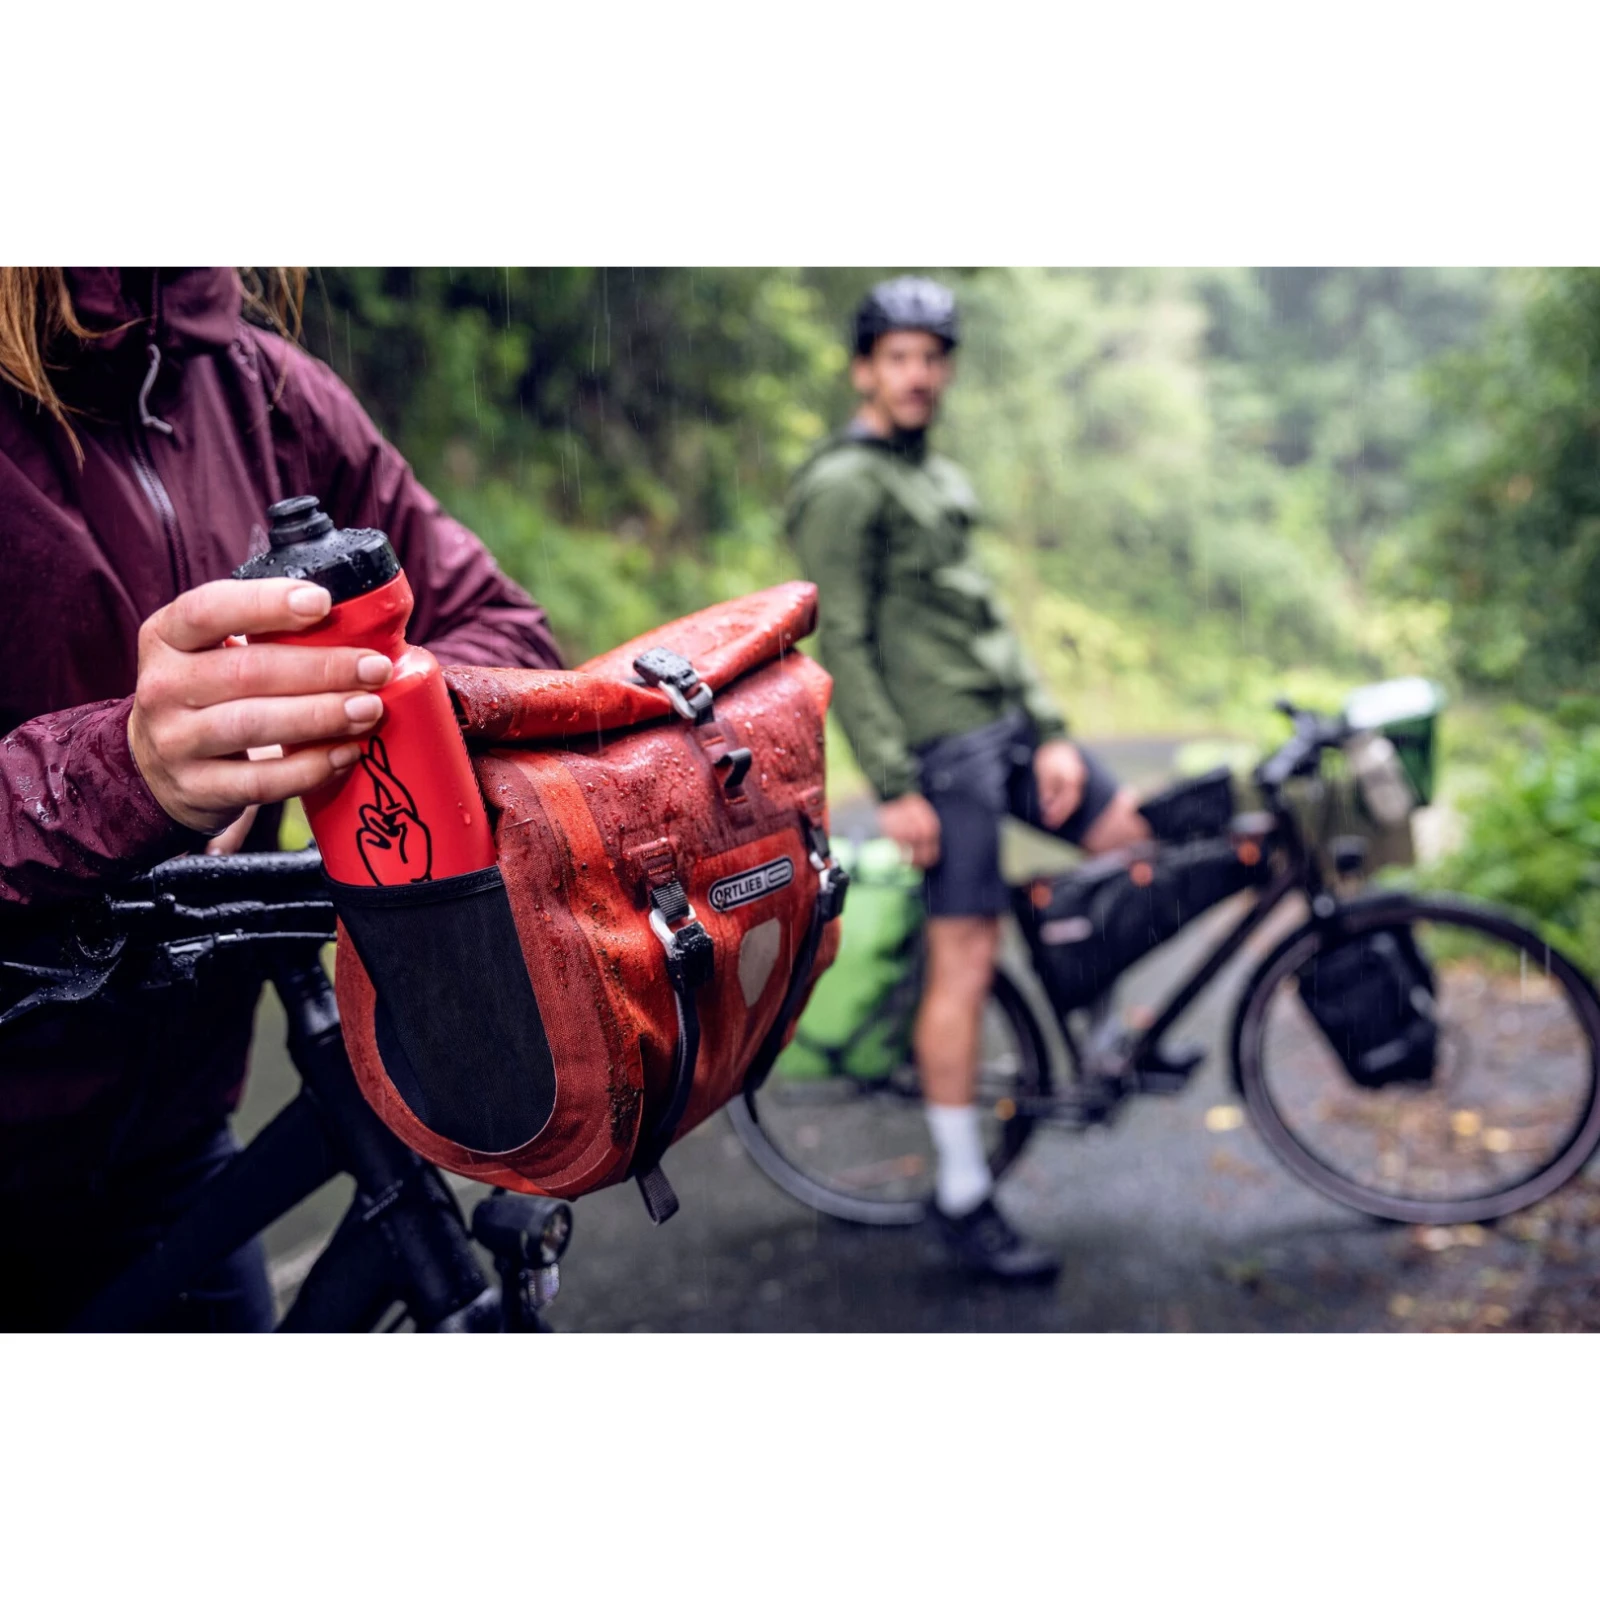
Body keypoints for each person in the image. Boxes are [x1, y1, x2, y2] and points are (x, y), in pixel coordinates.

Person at [0, 268, 564, 1330]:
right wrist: (125, 771)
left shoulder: (258, 388)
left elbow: (504, 631)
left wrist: (355, 703)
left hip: (175, 1152)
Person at [786, 277, 1152, 1282]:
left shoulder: (935, 477)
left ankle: (1102, 1030)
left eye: (931, 357)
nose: (917, 374)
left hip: (1006, 732)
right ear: (864, 371)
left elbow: (986, 621)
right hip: (941, 756)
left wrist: (1053, 732)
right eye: (897, 357)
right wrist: (893, 783)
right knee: (966, 957)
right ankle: (960, 1193)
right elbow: (843, 643)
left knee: (1132, 839)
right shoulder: (844, 486)